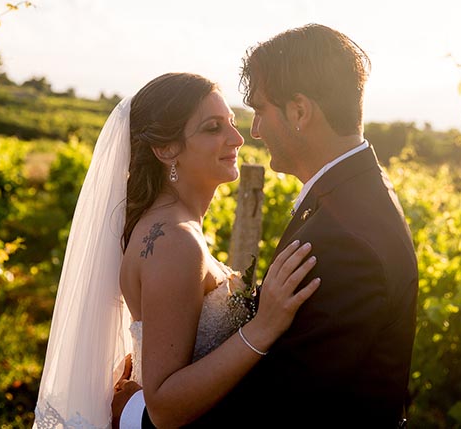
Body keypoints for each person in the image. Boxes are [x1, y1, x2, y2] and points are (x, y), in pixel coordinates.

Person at [121, 24, 419, 428]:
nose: (251, 133)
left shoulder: (345, 238)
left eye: (259, 110)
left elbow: (279, 406)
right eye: (215, 126)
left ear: (299, 111)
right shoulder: (351, 197)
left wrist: (135, 414)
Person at [33, 73, 321, 429]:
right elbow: (164, 406)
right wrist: (262, 329)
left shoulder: (172, 229)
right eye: (213, 128)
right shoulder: (174, 241)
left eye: (231, 123)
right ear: (166, 149)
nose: (237, 138)